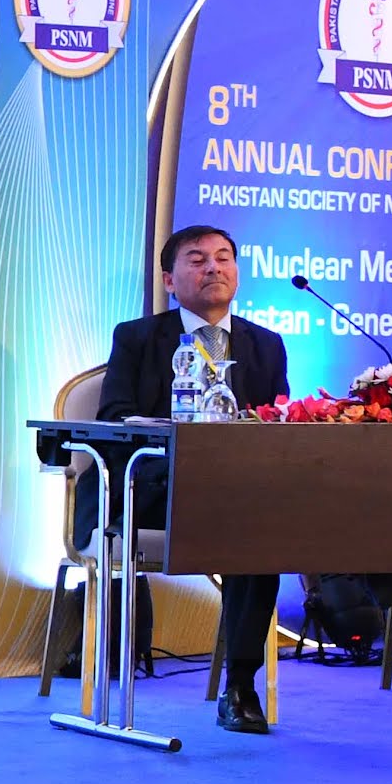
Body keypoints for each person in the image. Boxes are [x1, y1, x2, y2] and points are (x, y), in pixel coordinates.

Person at [94, 224, 288, 734]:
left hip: (237, 500)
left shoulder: (266, 345)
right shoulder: (137, 338)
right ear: (169, 280)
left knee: (263, 535)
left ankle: (240, 687)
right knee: (252, 523)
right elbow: (114, 418)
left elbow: (278, 424)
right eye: (198, 260)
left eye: (224, 258)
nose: (213, 268)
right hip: (154, 492)